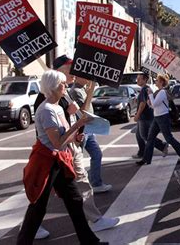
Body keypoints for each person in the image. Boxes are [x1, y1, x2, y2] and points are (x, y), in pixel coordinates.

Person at [33, 55, 119, 238]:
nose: (75, 72)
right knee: (49, 190)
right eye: (71, 68)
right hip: (55, 152)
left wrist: (77, 133)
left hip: (67, 149)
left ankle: (91, 225)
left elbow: (70, 119)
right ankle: (93, 223)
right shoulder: (47, 100)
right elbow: (50, 131)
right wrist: (76, 126)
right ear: (60, 71)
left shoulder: (64, 93)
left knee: (73, 189)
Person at [17, 70, 106, 245]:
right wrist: (79, 124)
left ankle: (90, 241)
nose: (66, 86)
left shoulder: (57, 107)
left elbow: (65, 136)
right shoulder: (47, 110)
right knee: (38, 207)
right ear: (53, 87)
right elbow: (57, 142)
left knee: (75, 200)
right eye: (63, 84)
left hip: (60, 161)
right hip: (47, 163)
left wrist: (77, 136)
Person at [70, 76, 112, 193]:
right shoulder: (75, 91)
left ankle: (96, 183)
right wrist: (90, 92)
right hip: (82, 129)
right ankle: (75, 186)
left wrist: (89, 92)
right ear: (78, 77)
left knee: (97, 154)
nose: (88, 79)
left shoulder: (82, 89)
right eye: (85, 77)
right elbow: (82, 112)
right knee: (77, 158)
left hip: (89, 129)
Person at [137, 74, 180, 165]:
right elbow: (153, 106)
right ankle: (146, 159)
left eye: (157, 80)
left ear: (161, 82)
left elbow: (154, 104)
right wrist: (150, 101)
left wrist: (150, 95)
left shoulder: (162, 92)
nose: (155, 82)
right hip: (157, 117)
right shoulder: (159, 92)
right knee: (150, 138)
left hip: (163, 118)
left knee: (169, 138)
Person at [132, 72, 168, 159]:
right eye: (137, 78)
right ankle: (141, 152)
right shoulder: (143, 89)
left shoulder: (145, 89)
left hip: (145, 117)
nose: (137, 80)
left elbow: (143, 103)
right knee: (139, 135)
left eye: (139, 79)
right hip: (144, 116)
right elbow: (142, 101)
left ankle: (162, 146)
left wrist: (137, 115)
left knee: (144, 135)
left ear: (145, 80)